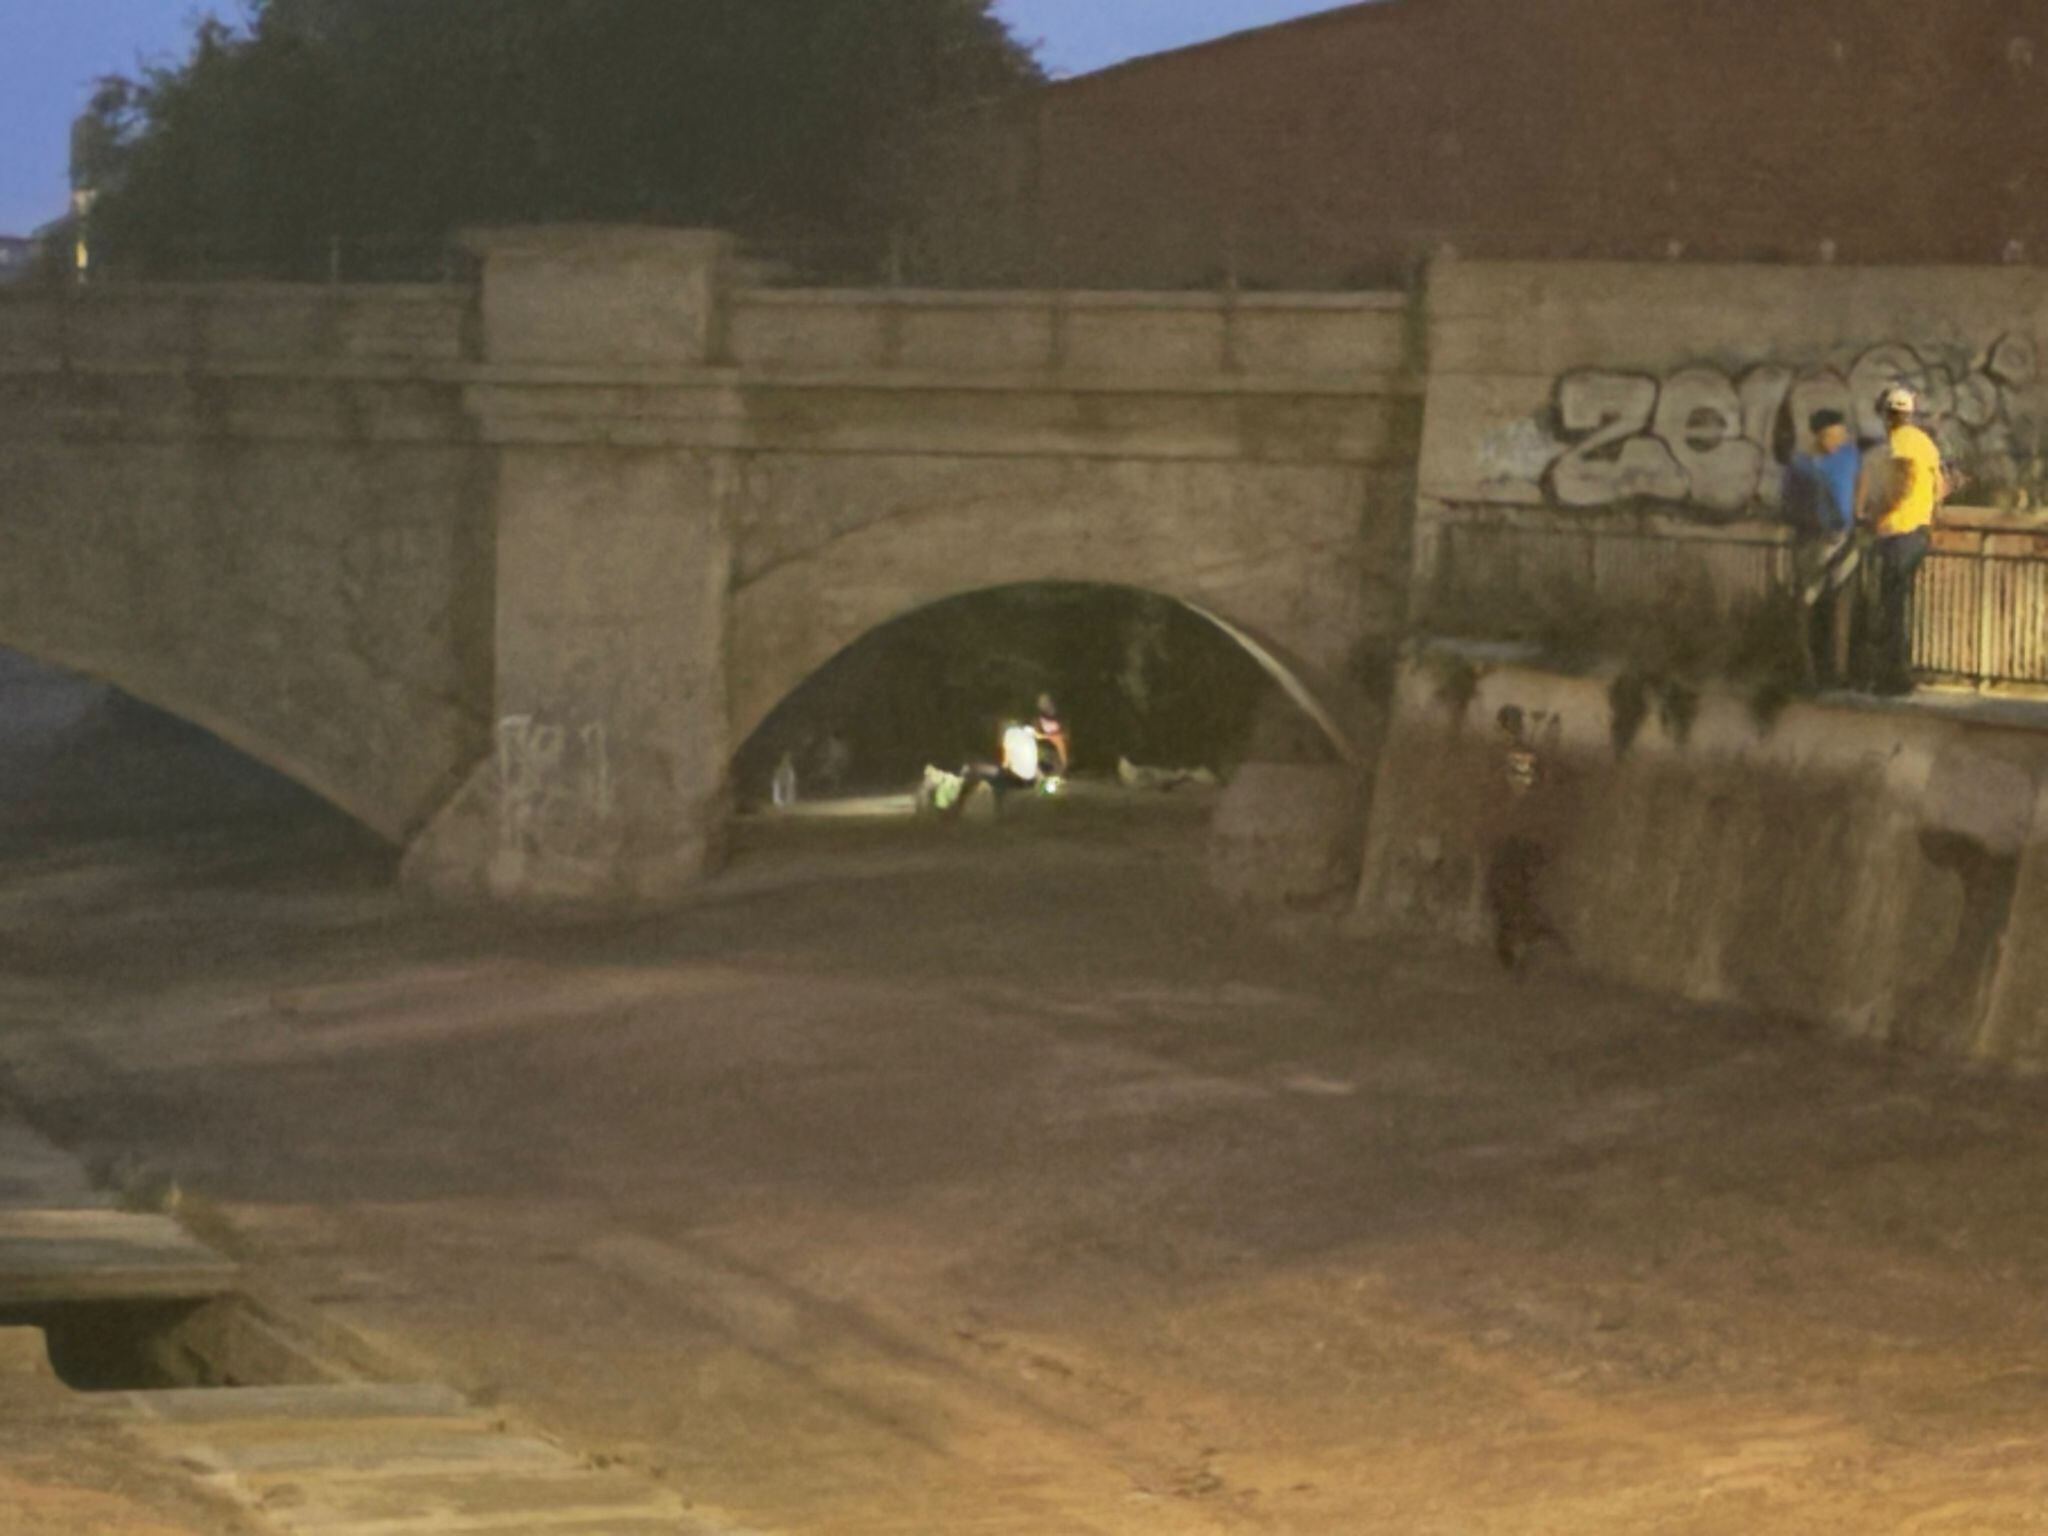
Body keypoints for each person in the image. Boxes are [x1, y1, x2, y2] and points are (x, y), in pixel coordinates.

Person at [1859, 384, 1953, 695]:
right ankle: (1897, 673)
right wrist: (1930, 519)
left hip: (1896, 531)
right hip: (1918, 532)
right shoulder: (1925, 443)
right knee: (1899, 605)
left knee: (1891, 607)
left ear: (1887, 415)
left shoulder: (1898, 443)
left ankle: (1893, 677)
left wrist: (1876, 515)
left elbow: (1903, 477)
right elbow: (1941, 486)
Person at [1782, 409, 1861, 688]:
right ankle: (1809, 672)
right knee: (1808, 606)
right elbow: (1788, 504)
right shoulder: (1801, 465)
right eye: (1832, 435)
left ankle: (1838, 672)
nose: (1837, 440)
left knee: (1841, 608)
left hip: (1844, 539)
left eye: (1840, 434)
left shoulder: (1850, 457)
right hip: (1812, 542)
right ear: (1818, 435)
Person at [1484, 705, 1566, 973]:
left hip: (1518, 838)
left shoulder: (1519, 756)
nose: (1498, 733)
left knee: (1508, 893)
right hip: (1515, 836)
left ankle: (1531, 942)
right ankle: (1517, 948)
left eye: (1501, 727)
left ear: (1508, 728)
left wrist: (1500, 817)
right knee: (1505, 895)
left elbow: (1519, 797)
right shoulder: (1516, 754)